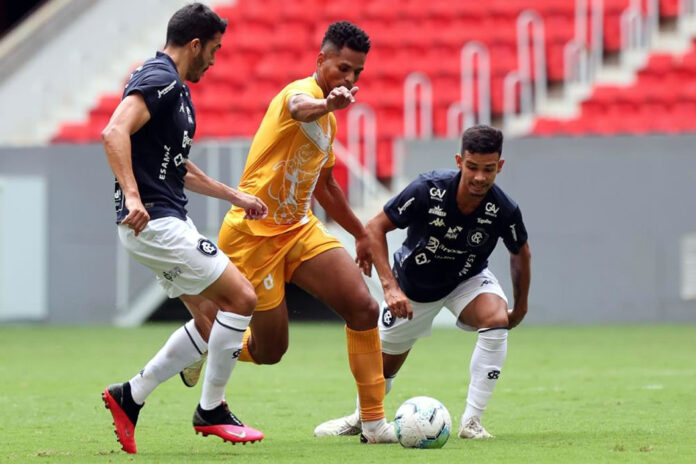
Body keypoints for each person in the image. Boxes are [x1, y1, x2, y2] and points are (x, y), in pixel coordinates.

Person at [181, 21, 396, 444]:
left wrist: (359, 233)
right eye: (342, 68)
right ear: (321, 61)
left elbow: (327, 187)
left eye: (357, 73)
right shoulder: (299, 94)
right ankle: (207, 337)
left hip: (298, 229)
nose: (349, 80)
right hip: (253, 236)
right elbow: (300, 108)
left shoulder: (329, 125)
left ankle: (373, 423)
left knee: (363, 307)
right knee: (270, 352)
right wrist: (327, 103)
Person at [100, 3, 268, 454]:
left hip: (162, 218)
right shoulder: (162, 80)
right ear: (195, 44)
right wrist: (133, 196)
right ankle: (211, 409)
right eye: (213, 50)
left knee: (212, 319)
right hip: (155, 221)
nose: (214, 61)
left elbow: (177, 168)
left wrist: (236, 196)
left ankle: (128, 397)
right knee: (243, 298)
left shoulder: (172, 89)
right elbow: (114, 132)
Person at [313, 125, 532, 439]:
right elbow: (375, 228)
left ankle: (471, 422)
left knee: (496, 320)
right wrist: (390, 287)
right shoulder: (428, 189)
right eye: (472, 168)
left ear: (499, 166)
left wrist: (521, 306)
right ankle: (361, 418)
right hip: (413, 291)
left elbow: (520, 251)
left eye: (488, 169)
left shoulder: (503, 208)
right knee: (382, 371)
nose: (479, 178)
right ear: (459, 161)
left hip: (466, 280)